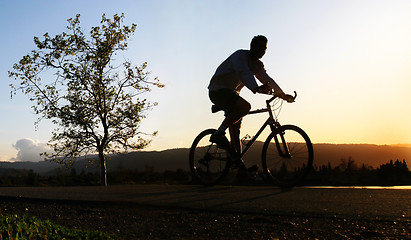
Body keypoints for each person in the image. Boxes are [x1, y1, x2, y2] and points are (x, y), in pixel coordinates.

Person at [208, 35, 294, 167]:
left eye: (264, 48)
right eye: (259, 47)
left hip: (231, 94)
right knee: (245, 107)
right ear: (251, 47)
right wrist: (256, 87)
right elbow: (244, 72)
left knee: (236, 129)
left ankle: (238, 164)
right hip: (217, 90)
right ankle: (218, 134)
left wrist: (282, 95)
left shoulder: (257, 65)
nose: (262, 50)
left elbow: (267, 79)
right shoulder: (240, 56)